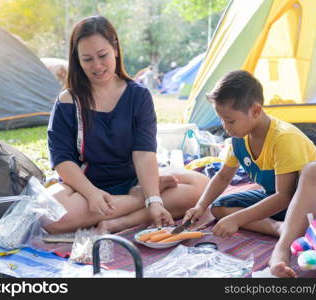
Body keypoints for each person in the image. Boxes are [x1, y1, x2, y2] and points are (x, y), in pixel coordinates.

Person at [45, 15, 209, 236]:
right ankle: (138, 200)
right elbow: (62, 159)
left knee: (202, 186)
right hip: (84, 189)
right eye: (87, 59)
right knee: (49, 215)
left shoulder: (138, 95)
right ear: (77, 60)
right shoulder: (67, 101)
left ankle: (122, 219)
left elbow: (144, 153)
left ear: (115, 49)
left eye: (102, 55)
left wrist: (154, 198)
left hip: (134, 179)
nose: (97, 66)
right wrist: (93, 194)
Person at [182, 70, 316, 277]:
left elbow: (284, 196)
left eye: (230, 121)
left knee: (314, 169)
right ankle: (282, 228)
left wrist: (239, 219)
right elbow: (224, 176)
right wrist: (201, 206)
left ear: (255, 110)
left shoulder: (283, 137)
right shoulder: (239, 139)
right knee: (219, 208)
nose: (226, 128)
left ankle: (282, 248)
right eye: (222, 120)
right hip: (284, 203)